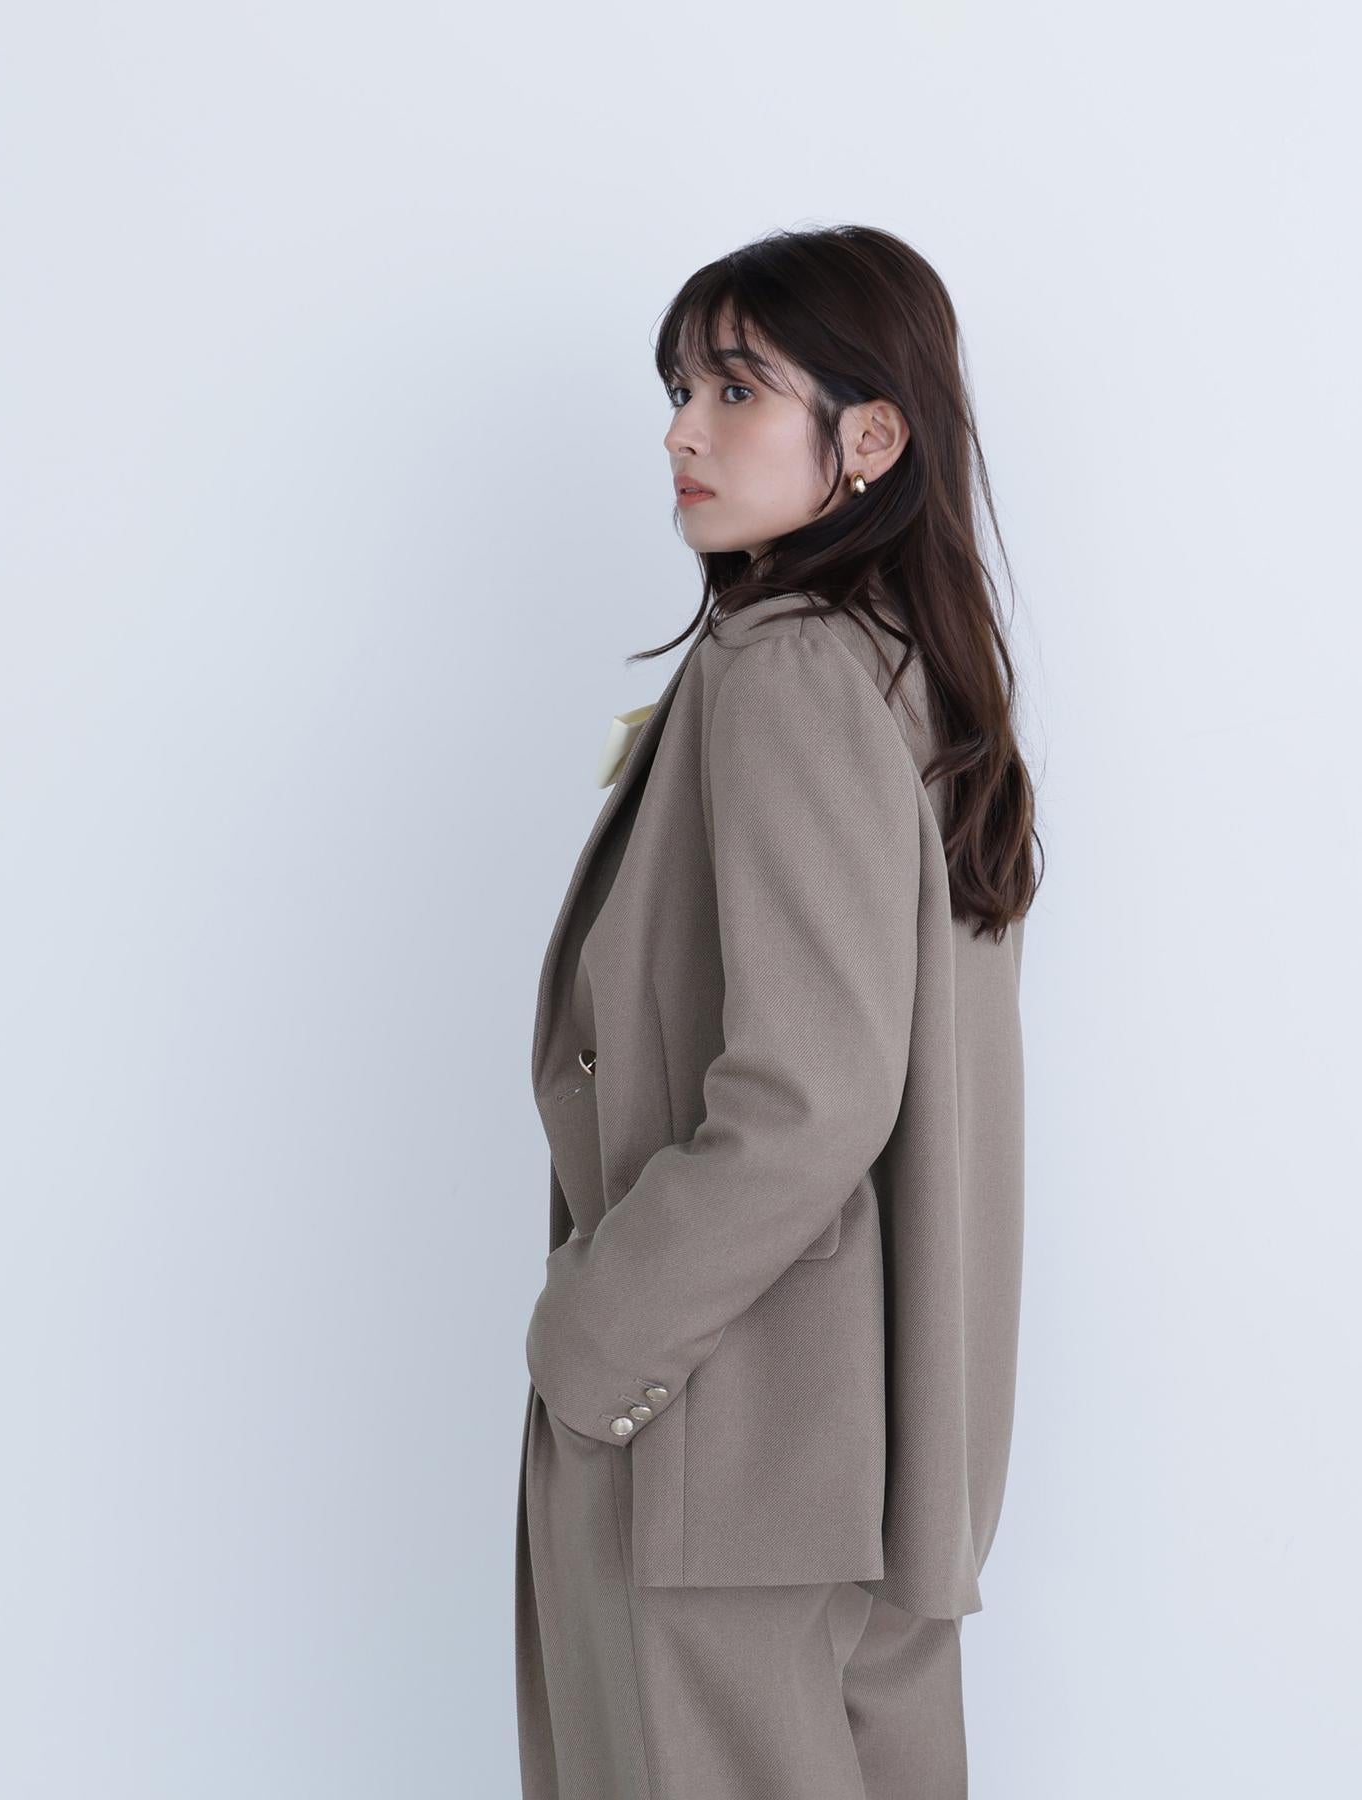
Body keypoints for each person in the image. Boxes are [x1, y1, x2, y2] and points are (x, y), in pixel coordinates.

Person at [516, 224, 1040, 1800]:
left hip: (720, 1451)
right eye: (679, 389)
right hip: (858, 1462)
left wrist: (597, 1341)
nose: (683, 430)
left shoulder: (788, 670)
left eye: (735, 388)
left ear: (870, 438)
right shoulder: (904, 670)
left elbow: (812, 1096)